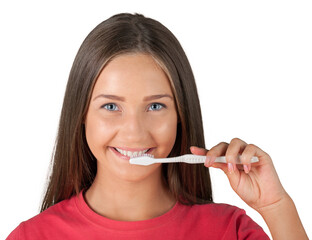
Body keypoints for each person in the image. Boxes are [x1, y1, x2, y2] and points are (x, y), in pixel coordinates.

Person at [6, 13, 308, 240]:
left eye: (155, 106)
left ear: (181, 114)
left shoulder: (229, 231)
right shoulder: (32, 236)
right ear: (82, 113)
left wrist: (275, 205)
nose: (134, 131)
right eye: (111, 106)